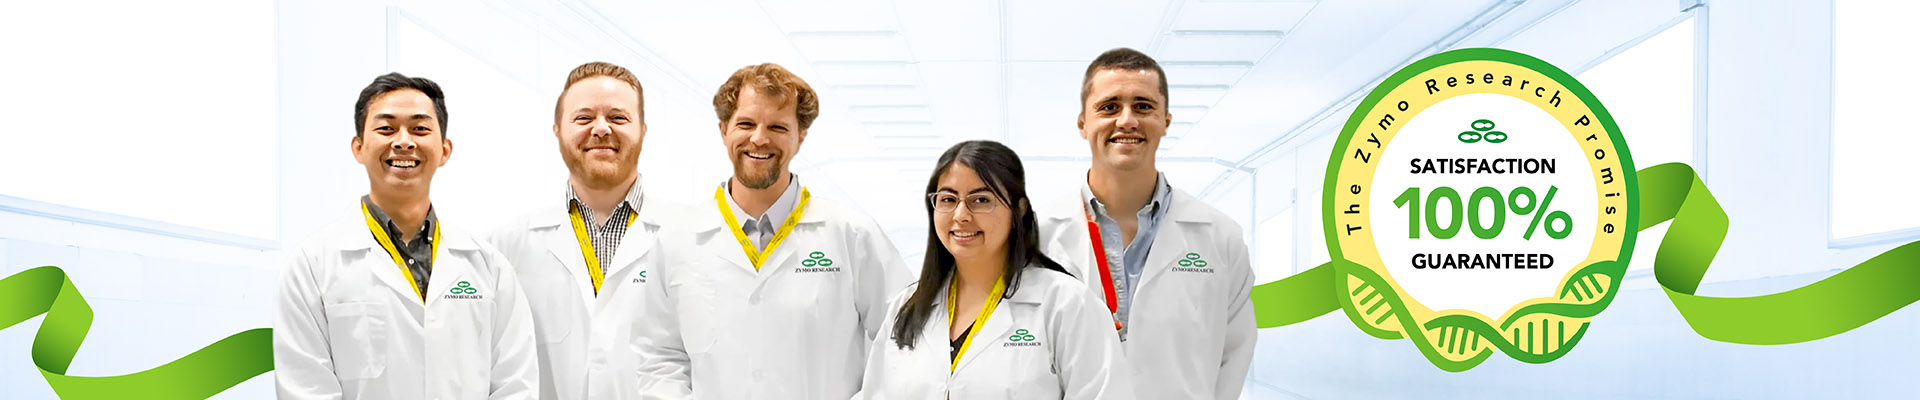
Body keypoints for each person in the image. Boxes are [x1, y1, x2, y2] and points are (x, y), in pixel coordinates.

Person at [636, 63, 912, 399]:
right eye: (746, 124)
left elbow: (908, 343)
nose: (759, 138)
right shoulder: (676, 240)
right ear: (724, 130)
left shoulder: (852, 234)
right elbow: (658, 358)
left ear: (800, 137)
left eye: (778, 126)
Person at [274, 72, 539, 399]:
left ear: (444, 150)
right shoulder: (312, 266)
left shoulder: (489, 266)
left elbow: (516, 385)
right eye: (386, 128)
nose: (403, 141)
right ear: (358, 147)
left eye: (420, 128)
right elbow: (305, 388)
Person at [1034, 48, 1256, 399]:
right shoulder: (1035, 236)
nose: (1126, 120)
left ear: (1165, 120)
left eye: (1143, 106)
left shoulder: (1220, 236)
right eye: (1109, 107)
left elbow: (1235, 352)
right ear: (1082, 124)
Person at [859, 140, 1132, 399]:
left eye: (981, 200)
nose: (961, 215)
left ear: (1019, 209)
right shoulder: (906, 307)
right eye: (947, 199)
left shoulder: (1066, 304)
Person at [482, 61, 677, 400]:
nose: (601, 129)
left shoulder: (689, 236)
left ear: (643, 130)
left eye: (618, 117)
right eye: (584, 118)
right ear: (557, 130)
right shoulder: (503, 248)